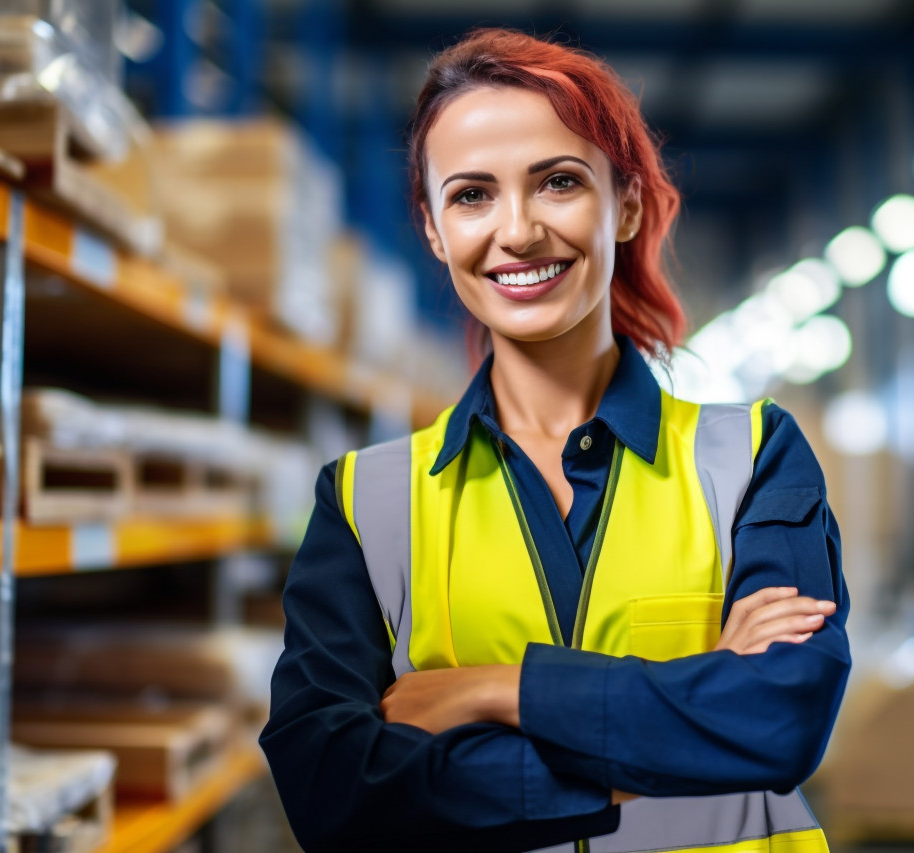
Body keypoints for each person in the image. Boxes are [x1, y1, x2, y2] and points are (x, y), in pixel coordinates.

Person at [260, 28, 851, 853]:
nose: (519, 230)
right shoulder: (367, 502)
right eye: (471, 196)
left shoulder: (752, 458)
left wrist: (484, 691)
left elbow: (777, 720)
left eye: (559, 182)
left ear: (629, 203)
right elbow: (329, 786)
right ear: (433, 230)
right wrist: (681, 712)